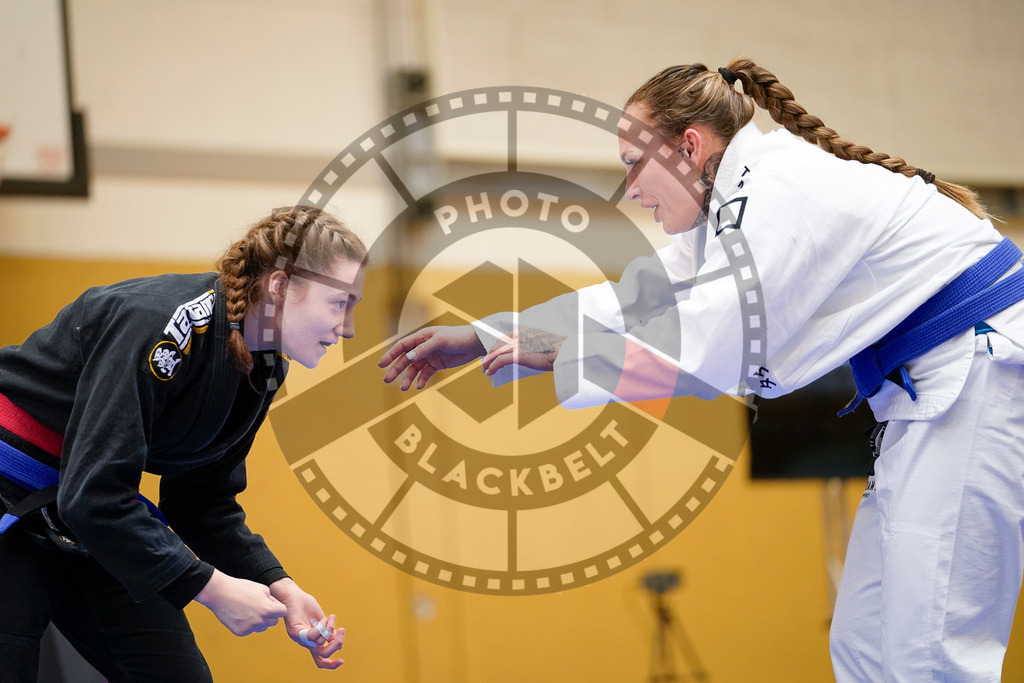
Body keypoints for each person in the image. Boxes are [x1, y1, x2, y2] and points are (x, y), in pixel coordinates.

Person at [379, 59, 1024, 680]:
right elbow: (631, 299)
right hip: (933, 391)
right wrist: (485, 335)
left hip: (978, 376)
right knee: (864, 643)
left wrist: (563, 358)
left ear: (689, 146)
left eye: (635, 165)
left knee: (931, 656)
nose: (631, 189)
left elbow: (715, 349)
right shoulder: (728, 212)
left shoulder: (780, 192)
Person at [0, 205, 366, 681]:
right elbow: (94, 494)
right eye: (339, 304)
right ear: (279, 286)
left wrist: (278, 585)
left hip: (92, 519)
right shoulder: (161, 326)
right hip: (17, 497)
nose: (349, 327)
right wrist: (210, 588)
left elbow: (201, 502)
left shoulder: (264, 366)